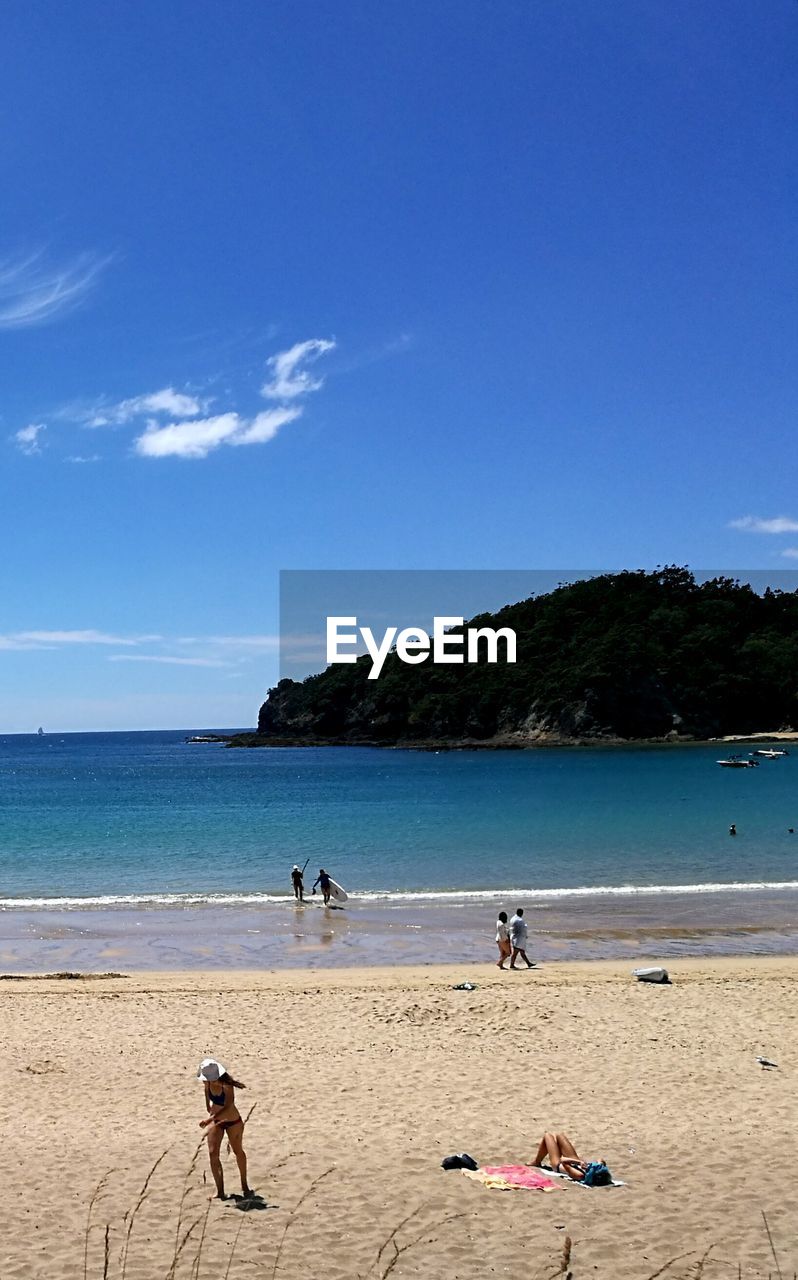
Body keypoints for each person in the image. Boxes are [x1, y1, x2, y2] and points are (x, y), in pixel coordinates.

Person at [197, 1057, 252, 1200]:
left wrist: (210, 1118)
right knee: (212, 1153)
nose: (210, 1081)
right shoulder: (207, 1083)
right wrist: (208, 1107)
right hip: (216, 1121)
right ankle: (220, 1191)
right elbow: (206, 1091)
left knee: (237, 1150)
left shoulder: (226, 1085)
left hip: (232, 1120)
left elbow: (228, 1105)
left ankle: (244, 1185)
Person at [531, 1132, 605, 1183]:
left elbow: (563, 1160)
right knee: (560, 1136)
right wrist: (600, 1164)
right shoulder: (596, 1170)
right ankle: (555, 1151)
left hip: (558, 1164)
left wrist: (579, 1162)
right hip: (574, 1161)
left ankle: (537, 1162)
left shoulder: (580, 1175)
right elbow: (601, 1160)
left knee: (547, 1136)